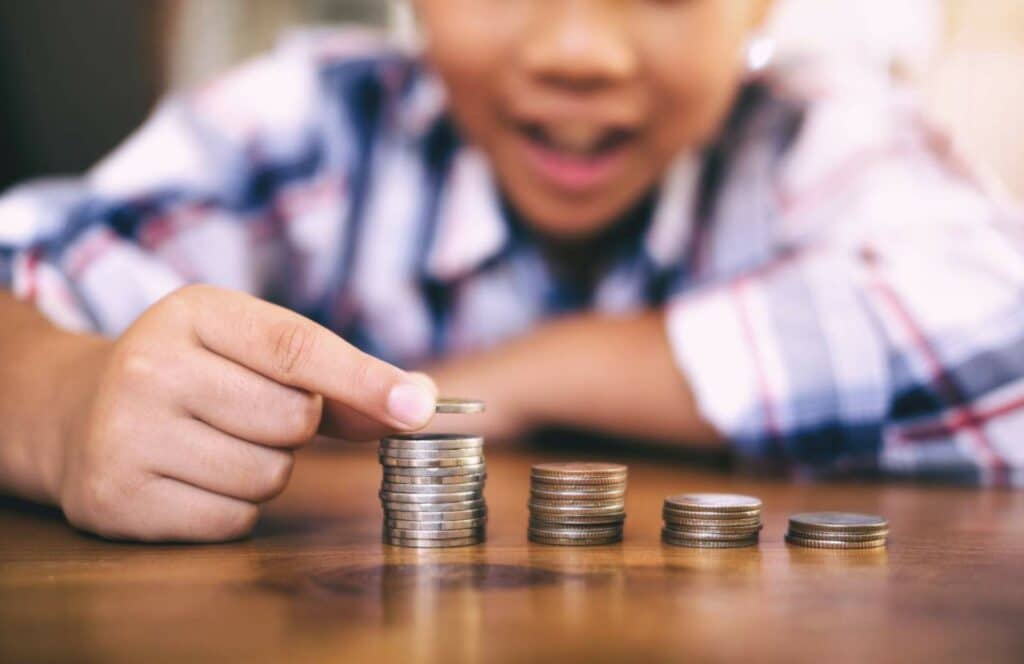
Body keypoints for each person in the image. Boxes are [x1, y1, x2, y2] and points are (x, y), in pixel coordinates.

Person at [1, 1, 1021, 542]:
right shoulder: (306, 120)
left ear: (759, 7)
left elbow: (999, 326)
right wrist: (62, 402)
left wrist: (529, 379)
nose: (578, 50)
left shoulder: (819, 134)